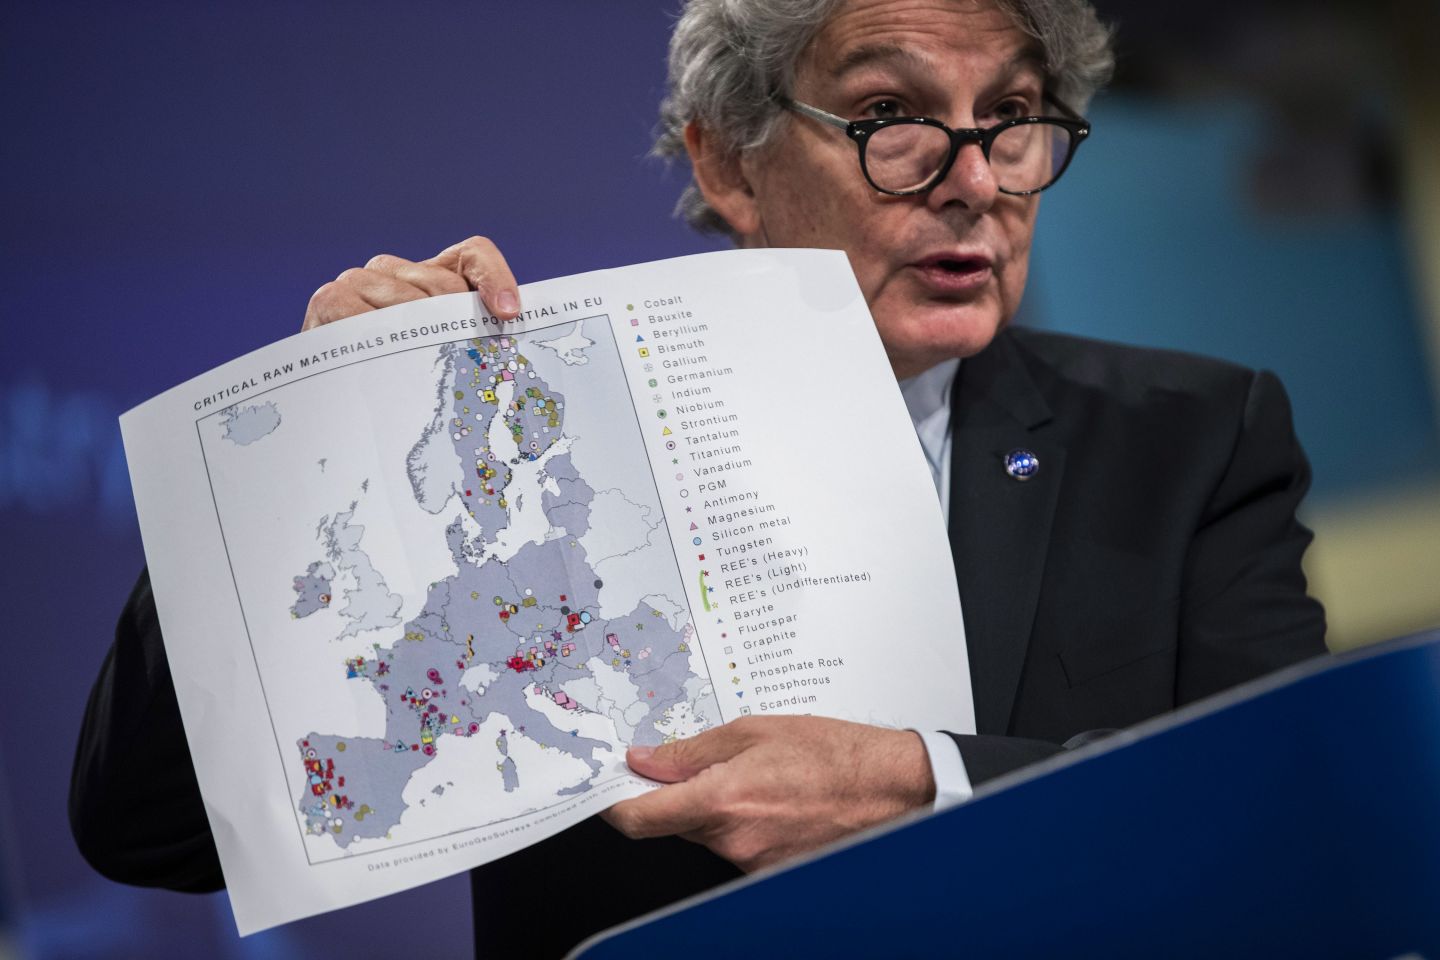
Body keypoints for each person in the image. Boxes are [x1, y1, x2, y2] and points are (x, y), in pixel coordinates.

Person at [71, 0, 1328, 955]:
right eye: (893, 117)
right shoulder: (529, 454)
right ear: (728, 163)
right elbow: (151, 827)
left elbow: (1292, 817)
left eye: (1011, 115)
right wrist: (323, 432)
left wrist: (923, 782)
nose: (976, 180)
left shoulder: (1193, 439)